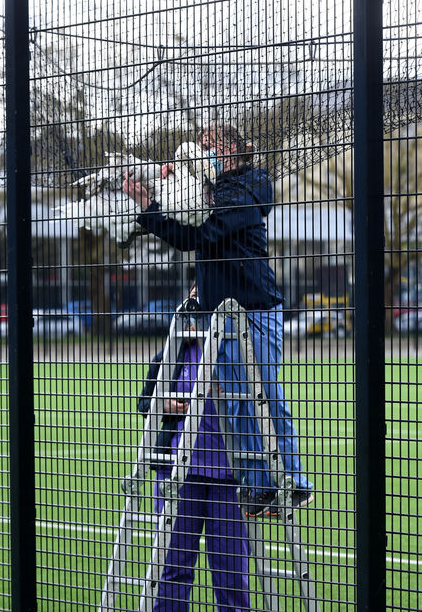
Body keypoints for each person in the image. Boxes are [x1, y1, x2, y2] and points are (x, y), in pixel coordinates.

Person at [123, 123, 313, 517]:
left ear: (233, 149)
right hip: (218, 314)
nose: (203, 151)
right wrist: (150, 205)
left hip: (256, 309)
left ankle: (292, 480)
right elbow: (187, 234)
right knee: (238, 402)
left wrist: (183, 190)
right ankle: (259, 487)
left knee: (263, 391)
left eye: (211, 146)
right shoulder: (212, 193)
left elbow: (206, 232)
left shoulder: (249, 185)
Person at [138, 288, 265, 612]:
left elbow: (261, 398)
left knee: (231, 566)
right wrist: (168, 402)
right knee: (174, 562)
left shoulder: (235, 351)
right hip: (180, 472)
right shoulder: (174, 353)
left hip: (229, 473)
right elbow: (146, 402)